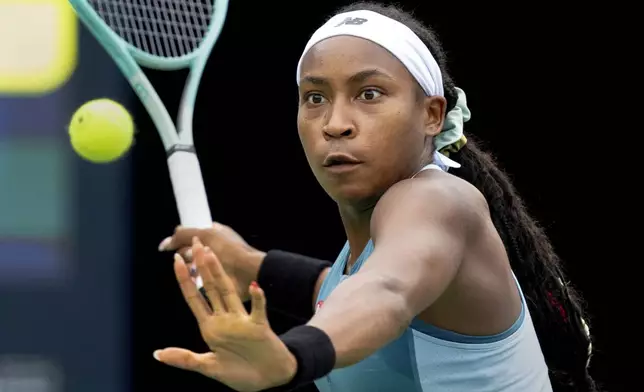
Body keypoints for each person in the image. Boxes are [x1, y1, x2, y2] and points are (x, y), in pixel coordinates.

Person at [153, 2, 596, 392]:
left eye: (369, 93)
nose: (335, 122)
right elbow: (348, 288)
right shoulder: (374, 250)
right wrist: (251, 264)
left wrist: (292, 357)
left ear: (431, 114)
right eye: (315, 97)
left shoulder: (439, 200)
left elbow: (389, 290)